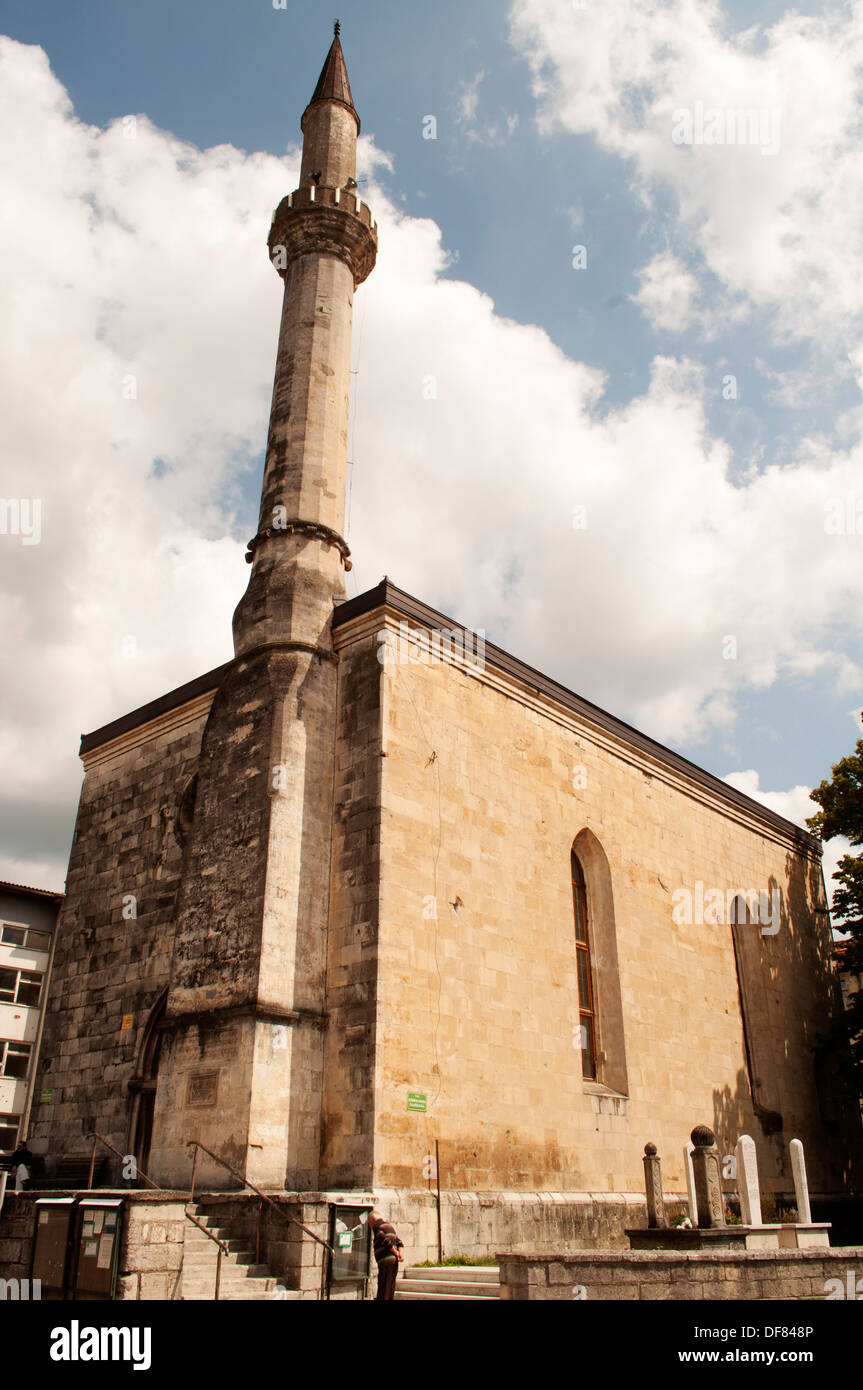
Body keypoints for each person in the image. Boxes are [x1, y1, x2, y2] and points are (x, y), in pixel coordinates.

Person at [368, 1209, 404, 1301]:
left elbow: (384, 1240)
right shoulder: (390, 1226)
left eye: (369, 1223)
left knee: (383, 1289)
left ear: (372, 1220)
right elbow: (399, 1242)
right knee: (390, 1288)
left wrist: (395, 1253)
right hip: (394, 1262)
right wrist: (400, 1254)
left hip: (386, 1262)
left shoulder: (377, 1226)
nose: (370, 1226)